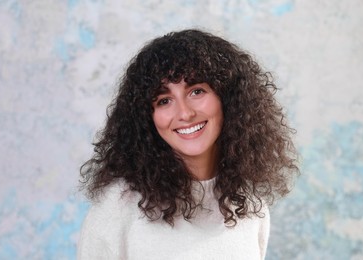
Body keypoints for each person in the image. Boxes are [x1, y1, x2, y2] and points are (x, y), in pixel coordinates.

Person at [78, 29, 299, 260]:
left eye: (196, 91)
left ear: (227, 98)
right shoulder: (118, 207)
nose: (184, 113)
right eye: (164, 100)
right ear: (146, 117)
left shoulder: (251, 208)